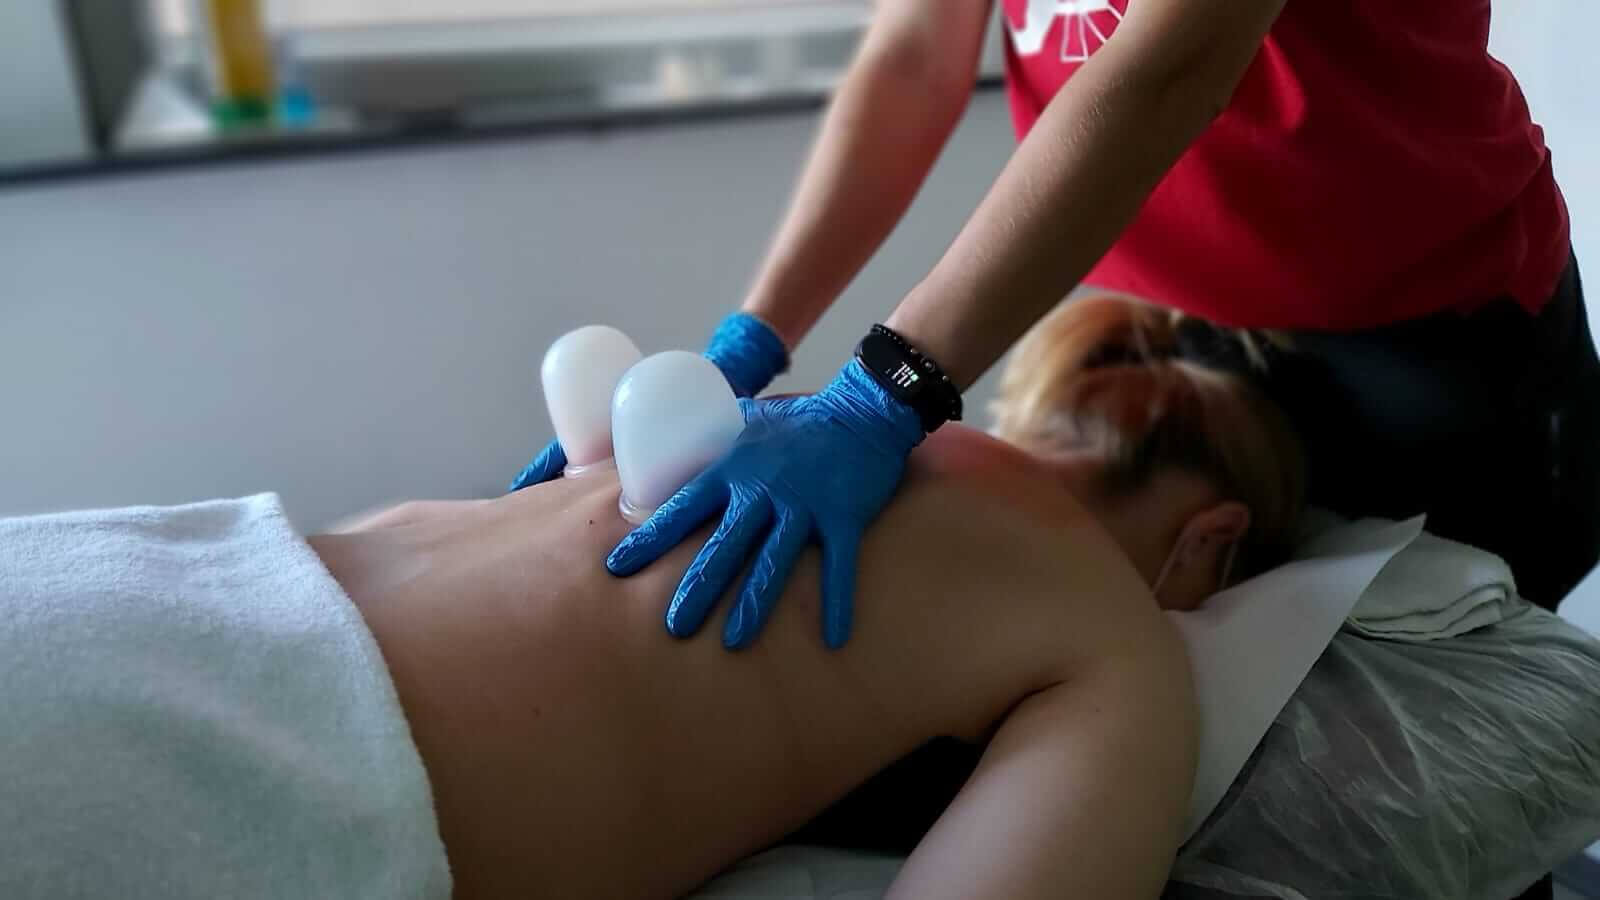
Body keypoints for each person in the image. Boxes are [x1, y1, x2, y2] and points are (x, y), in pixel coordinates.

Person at [2, 298, 1304, 899]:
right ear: (1214, 540)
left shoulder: (776, 426)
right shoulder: (1110, 634)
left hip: (136, 578)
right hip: (268, 778)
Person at [510, 0, 1597, 659]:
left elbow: (1170, 65)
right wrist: (753, 336)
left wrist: (885, 391)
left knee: (1424, 792)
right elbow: (916, 58)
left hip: (1432, 345)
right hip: (1191, 332)